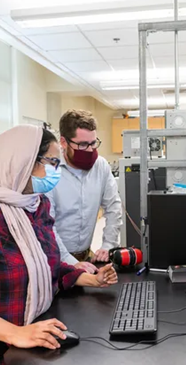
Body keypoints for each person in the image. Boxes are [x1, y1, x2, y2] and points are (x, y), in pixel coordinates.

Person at [0, 125, 118, 365]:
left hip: (41, 329)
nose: (56, 171)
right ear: (22, 161)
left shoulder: (35, 204)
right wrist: (16, 333)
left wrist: (89, 278)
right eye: (51, 162)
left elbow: (47, 264)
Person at [46, 109, 122, 274]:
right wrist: (69, 261)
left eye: (93, 143)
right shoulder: (49, 171)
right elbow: (46, 225)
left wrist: (108, 245)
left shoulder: (100, 166)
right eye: (82, 144)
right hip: (54, 260)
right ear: (64, 143)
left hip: (87, 256)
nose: (89, 150)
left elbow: (113, 206)